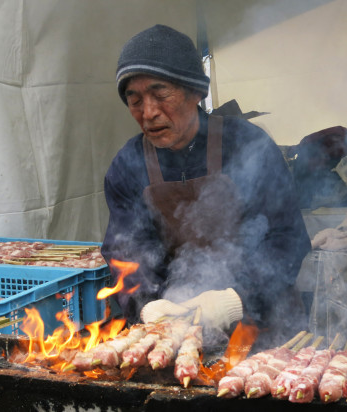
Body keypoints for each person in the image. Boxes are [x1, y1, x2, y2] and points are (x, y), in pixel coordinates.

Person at [101, 24, 311, 346]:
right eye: (135, 100)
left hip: (266, 326)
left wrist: (234, 299)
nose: (149, 112)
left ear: (196, 91)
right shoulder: (127, 166)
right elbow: (127, 254)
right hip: (174, 332)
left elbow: (287, 238)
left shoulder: (247, 145)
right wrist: (149, 307)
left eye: (160, 94)